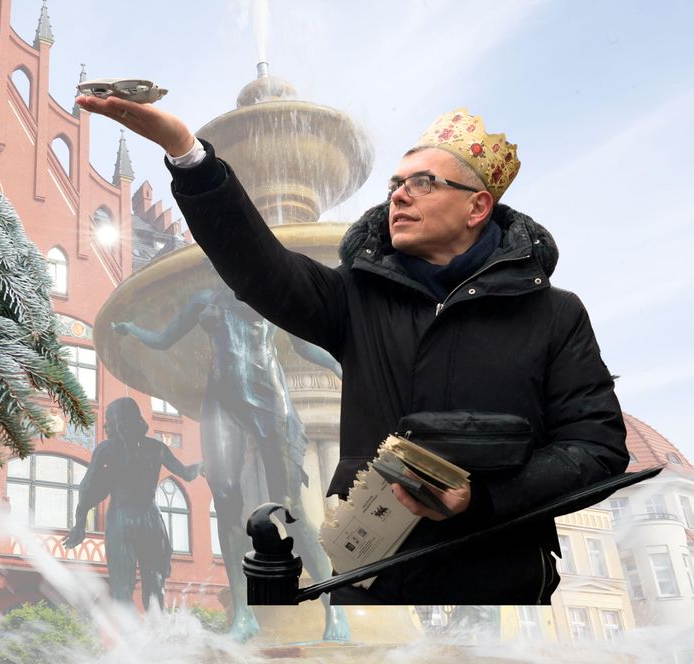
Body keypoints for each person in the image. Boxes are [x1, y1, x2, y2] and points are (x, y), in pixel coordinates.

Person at [76, 95, 628, 605]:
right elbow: (259, 268)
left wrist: (481, 496)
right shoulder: (354, 296)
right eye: (395, 183)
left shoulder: (554, 314)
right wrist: (190, 158)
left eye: (424, 183)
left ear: (478, 206)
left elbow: (597, 449)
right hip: (378, 580)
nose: (399, 195)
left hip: (503, 586)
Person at [112, 287, 348, 640]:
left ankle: (335, 608)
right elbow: (164, 340)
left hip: (269, 396)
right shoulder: (205, 298)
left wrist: (335, 362)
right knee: (225, 502)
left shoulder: (274, 290)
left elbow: (301, 345)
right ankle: (244, 615)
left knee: (291, 507)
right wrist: (132, 328)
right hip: (221, 402)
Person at [62, 397, 201, 612]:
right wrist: (206, 464)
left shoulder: (107, 449)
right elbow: (188, 474)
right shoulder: (157, 447)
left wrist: (80, 523)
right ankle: (158, 634)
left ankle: (130, 640)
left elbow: (87, 487)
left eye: (108, 419)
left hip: (121, 519)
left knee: (122, 589)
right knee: (155, 586)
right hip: (151, 520)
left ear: (118, 421)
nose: (105, 425)